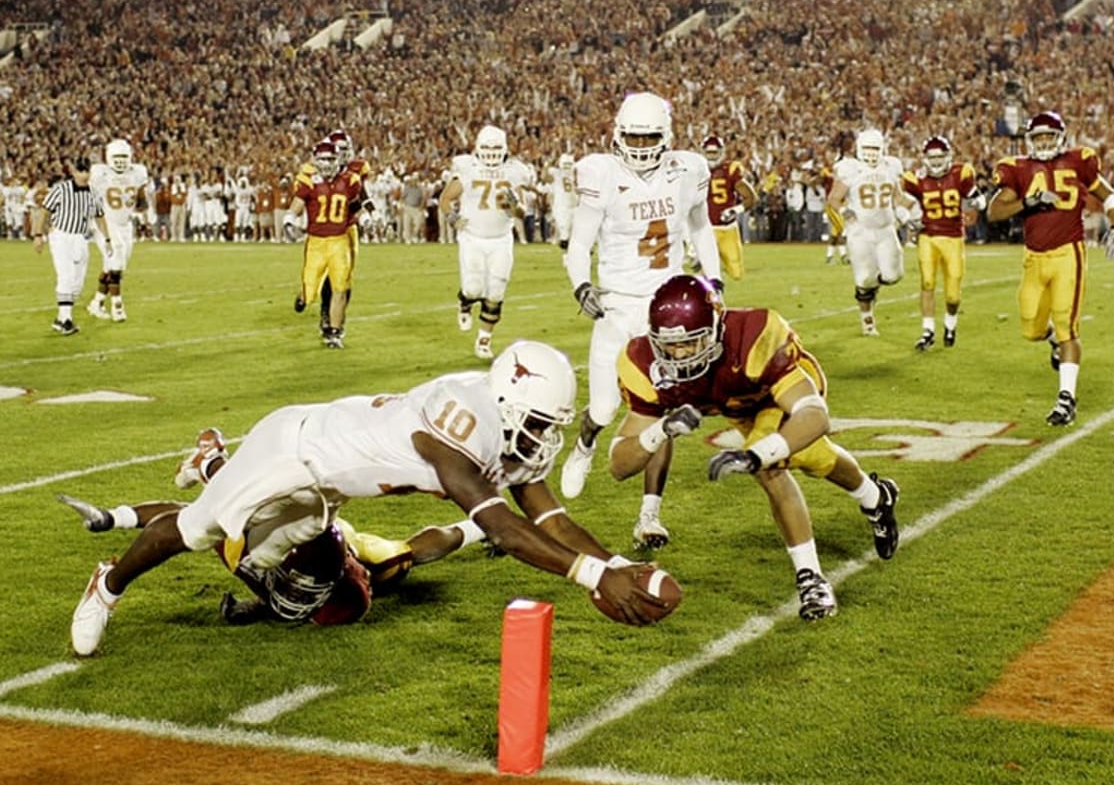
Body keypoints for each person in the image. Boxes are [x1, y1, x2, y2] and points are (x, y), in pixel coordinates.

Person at [69, 341, 666, 656]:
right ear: (506, 402)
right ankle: (108, 586)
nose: (542, 438)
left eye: (549, 426)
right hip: (295, 448)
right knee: (197, 531)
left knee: (280, 578)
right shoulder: (459, 421)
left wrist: (614, 566)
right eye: (535, 422)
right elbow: (505, 531)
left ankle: (212, 467)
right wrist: (591, 577)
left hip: (327, 487)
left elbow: (552, 518)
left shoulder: (512, 430)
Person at [610, 274, 899, 620]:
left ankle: (812, 580)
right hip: (735, 405)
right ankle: (876, 498)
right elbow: (619, 465)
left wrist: (756, 456)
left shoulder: (754, 336)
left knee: (772, 463)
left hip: (780, 393)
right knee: (817, 458)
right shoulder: (643, 362)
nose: (680, 354)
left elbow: (815, 416)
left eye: (692, 342)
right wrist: (659, 430)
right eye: (669, 345)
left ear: (716, 328)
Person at [60, 429, 475, 628]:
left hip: (326, 545)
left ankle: (481, 529)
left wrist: (480, 525)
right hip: (302, 520)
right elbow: (187, 517)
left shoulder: (336, 596)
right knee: (242, 500)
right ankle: (210, 462)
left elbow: (182, 519)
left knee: (397, 558)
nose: (301, 599)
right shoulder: (265, 548)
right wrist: (117, 517)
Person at [561, 90, 722, 549]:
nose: (640, 144)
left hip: (667, 308)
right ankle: (585, 444)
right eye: (632, 135)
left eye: (649, 135)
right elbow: (579, 242)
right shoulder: (601, 174)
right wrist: (581, 285)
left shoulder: (687, 171)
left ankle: (649, 515)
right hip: (617, 304)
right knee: (604, 409)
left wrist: (714, 280)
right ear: (618, 134)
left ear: (665, 136)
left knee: (661, 411)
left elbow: (700, 226)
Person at [987, 109, 1114, 427]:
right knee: (1031, 328)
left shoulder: (1079, 161)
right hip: (1034, 257)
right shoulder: (1018, 169)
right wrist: (1028, 203)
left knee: (1067, 325)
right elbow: (994, 212)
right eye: (1040, 137)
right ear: (1030, 141)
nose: (1046, 142)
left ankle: (1066, 398)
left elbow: (1110, 195)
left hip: (1069, 254)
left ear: (1061, 137)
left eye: (1050, 136)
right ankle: (1052, 341)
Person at [438, 124, 533, 362]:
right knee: (473, 288)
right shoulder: (467, 168)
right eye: (487, 147)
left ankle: (484, 340)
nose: (491, 152)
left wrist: (514, 206)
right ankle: (465, 302)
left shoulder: (514, 171)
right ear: (478, 148)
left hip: (501, 238)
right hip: (472, 236)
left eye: (496, 147)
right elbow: (446, 199)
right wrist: (453, 218)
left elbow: (522, 212)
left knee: (497, 290)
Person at [901, 135, 986, 351]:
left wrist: (977, 202)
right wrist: (907, 216)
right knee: (927, 283)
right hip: (928, 236)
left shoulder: (961, 174)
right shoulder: (915, 179)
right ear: (925, 158)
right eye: (933, 157)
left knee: (952, 294)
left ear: (948, 157)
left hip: (953, 238)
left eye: (940, 157)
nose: (937, 161)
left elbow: (979, 198)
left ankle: (950, 323)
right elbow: (903, 202)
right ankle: (927, 330)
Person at [826, 127, 913, 336]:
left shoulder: (891, 168)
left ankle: (874, 288)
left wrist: (904, 210)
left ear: (882, 149)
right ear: (859, 149)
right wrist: (845, 211)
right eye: (867, 149)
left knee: (893, 275)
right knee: (864, 279)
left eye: (875, 149)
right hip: (860, 231)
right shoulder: (850, 170)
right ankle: (868, 321)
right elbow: (833, 198)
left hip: (886, 229)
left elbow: (900, 197)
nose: (871, 153)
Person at [285, 137, 364, 349]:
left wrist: (366, 218)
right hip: (316, 243)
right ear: (316, 160)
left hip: (339, 241)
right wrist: (289, 219)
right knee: (311, 293)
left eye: (331, 159)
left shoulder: (348, 179)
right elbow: (297, 204)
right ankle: (303, 295)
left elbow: (357, 203)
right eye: (323, 160)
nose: (328, 164)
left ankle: (334, 333)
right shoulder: (308, 181)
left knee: (340, 288)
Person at [32, 158, 114, 335]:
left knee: (78, 283)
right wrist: (38, 235)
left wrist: (107, 238)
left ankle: (60, 318)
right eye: (80, 171)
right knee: (66, 276)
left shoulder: (93, 192)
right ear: (74, 172)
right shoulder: (61, 189)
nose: (84, 175)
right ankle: (67, 320)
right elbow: (45, 211)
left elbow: (100, 215)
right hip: (61, 236)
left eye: (86, 171)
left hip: (81, 238)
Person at [86, 138, 150, 323]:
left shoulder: (137, 172)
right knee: (116, 261)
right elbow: (89, 198)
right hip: (106, 223)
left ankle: (97, 302)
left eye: (124, 156)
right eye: (117, 156)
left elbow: (141, 199)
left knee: (114, 266)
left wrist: (144, 220)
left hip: (125, 224)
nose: (121, 160)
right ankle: (117, 305)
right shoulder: (100, 173)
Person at [318, 129, 373, 340]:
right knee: (327, 276)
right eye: (338, 149)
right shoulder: (320, 172)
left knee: (345, 278)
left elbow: (361, 193)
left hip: (349, 228)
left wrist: (369, 213)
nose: (342, 153)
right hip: (328, 231)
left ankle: (337, 321)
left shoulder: (355, 170)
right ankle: (326, 312)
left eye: (345, 148)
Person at [702, 134, 757, 281]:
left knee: (736, 273)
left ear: (721, 152)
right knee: (707, 271)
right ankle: (710, 292)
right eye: (708, 153)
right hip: (706, 229)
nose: (711, 156)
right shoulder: (696, 171)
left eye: (714, 152)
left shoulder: (730, 169)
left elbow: (751, 197)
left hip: (727, 229)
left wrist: (735, 210)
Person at [549, 152, 578, 257]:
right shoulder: (556, 173)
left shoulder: (576, 173)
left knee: (575, 233)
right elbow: (545, 177)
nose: (567, 167)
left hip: (574, 205)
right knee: (565, 233)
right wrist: (549, 162)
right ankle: (566, 256)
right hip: (562, 206)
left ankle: (575, 255)